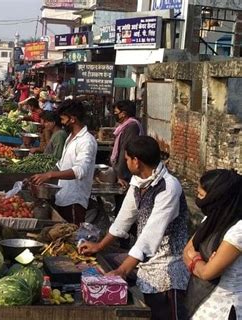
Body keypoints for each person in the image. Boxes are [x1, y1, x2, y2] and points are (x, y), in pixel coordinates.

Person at [79, 136, 190, 320]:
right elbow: (123, 219)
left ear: (136, 161)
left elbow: (151, 234)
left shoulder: (169, 187)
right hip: (147, 264)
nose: (126, 163)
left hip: (168, 271)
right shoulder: (138, 182)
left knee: (166, 314)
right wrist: (99, 246)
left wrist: (123, 270)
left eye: (127, 159)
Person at [183, 169, 241, 319]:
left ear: (217, 198)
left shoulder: (238, 230)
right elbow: (187, 251)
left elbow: (208, 272)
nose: (198, 200)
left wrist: (195, 259)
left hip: (224, 309)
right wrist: (200, 261)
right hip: (200, 306)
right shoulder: (211, 219)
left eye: (202, 196)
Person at [30, 100, 97, 224]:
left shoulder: (87, 141)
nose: (61, 122)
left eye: (63, 119)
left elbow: (80, 171)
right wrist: (40, 178)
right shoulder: (70, 138)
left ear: (72, 119)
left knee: (73, 237)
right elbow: (61, 165)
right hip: (62, 196)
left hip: (74, 200)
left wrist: (49, 175)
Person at [111, 100, 144, 188]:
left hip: (126, 174)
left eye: (116, 112)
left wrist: (120, 175)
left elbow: (125, 150)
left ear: (123, 114)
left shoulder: (131, 127)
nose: (114, 114)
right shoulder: (124, 126)